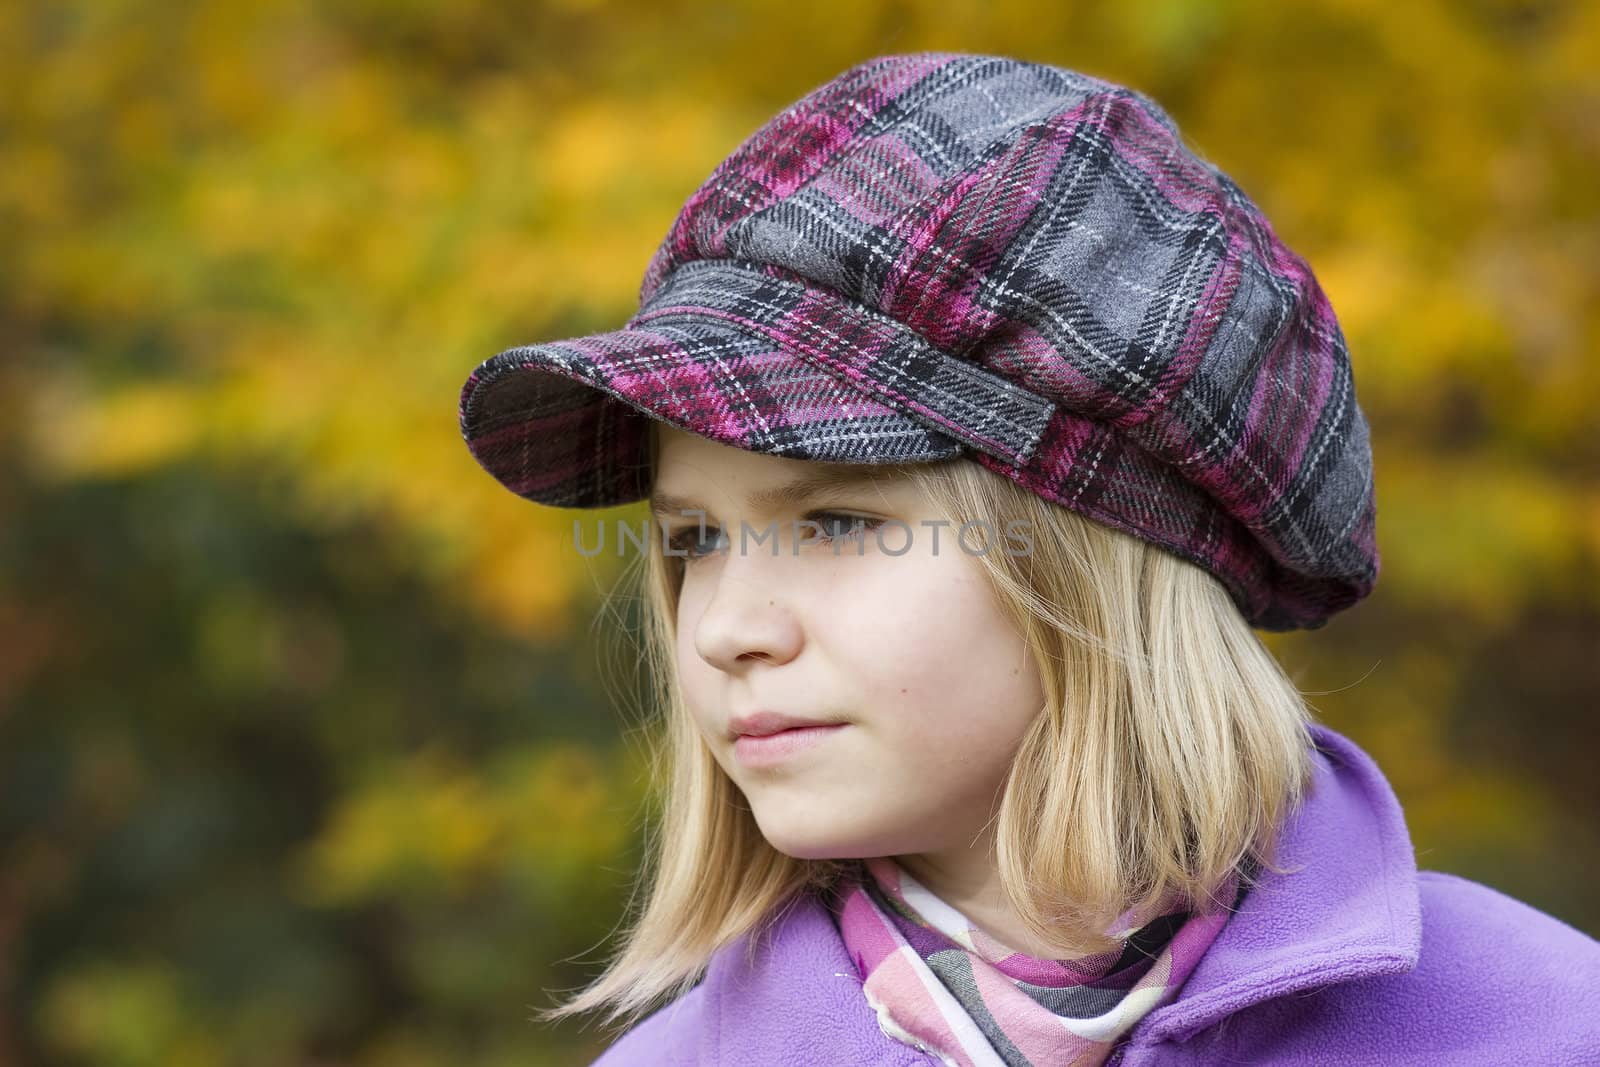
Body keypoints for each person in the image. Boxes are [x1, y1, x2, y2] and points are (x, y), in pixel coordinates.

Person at [455, 52, 1600, 1066]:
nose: (721, 627)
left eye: (839, 522)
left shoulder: (1541, 1024)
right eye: (693, 539)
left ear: (1107, 554)